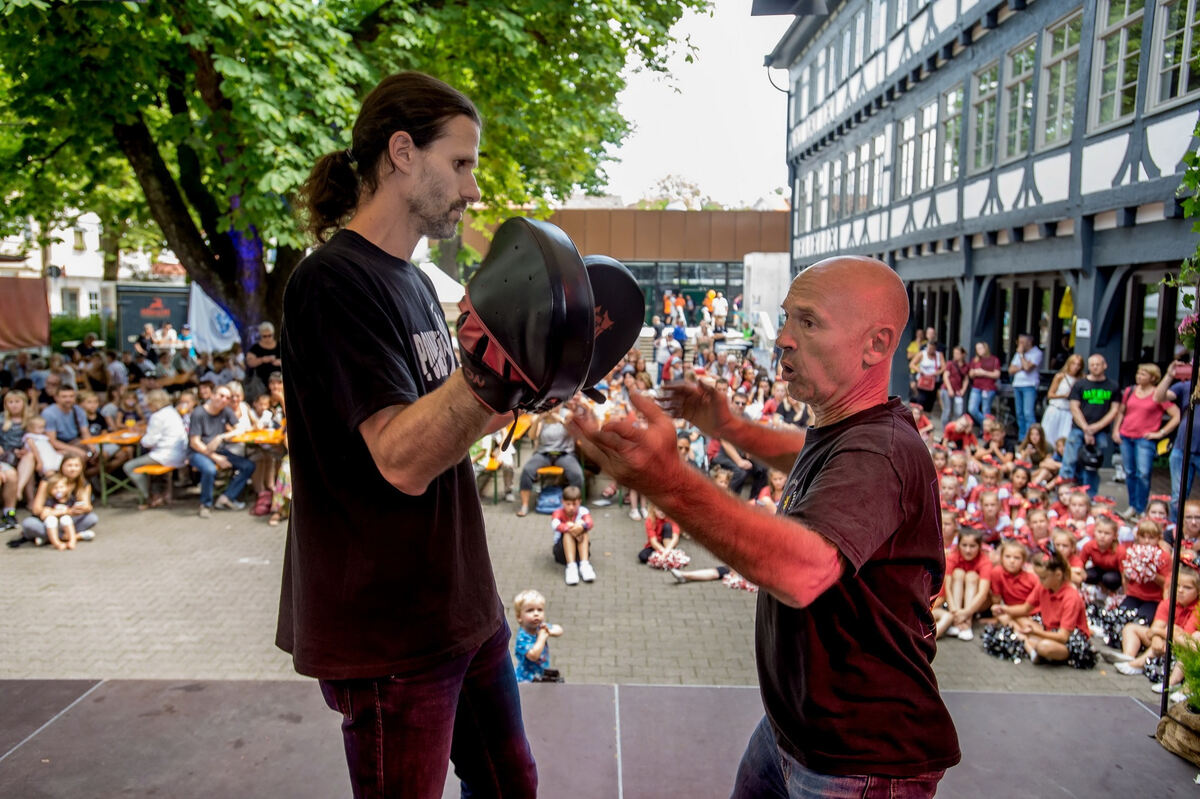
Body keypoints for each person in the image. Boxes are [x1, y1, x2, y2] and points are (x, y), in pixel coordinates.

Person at [568, 255, 959, 795]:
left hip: (859, 761)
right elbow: (805, 453)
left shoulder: (879, 452)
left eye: (808, 321)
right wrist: (730, 426)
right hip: (795, 731)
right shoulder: (850, 430)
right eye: (786, 318)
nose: (782, 338)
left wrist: (667, 482)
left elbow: (802, 571)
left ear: (875, 345)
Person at [277, 71, 537, 798]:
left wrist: (529, 385)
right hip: (388, 630)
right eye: (460, 163)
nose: (474, 188)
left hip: (460, 603)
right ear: (401, 153)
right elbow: (399, 456)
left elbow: (448, 424)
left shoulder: (417, 282)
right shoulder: (330, 283)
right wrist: (493, 369)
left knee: (510, 782)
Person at [1113, 363, 1179, 517]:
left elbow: (1176, 415)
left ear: (1153, 377)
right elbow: (1122, 412)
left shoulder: (1159, 394)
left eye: (1143, 374)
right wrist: (1116, 430)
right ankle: (1132, 506)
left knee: (1143, 473)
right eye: (1138, 373)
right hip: (1126, 435)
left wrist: (1160, 433)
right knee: (1129, 472)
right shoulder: (1130, 391)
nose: (1139, 376)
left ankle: (1141, 508)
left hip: (1144, 438)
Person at [188, 385, 256, 518]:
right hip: (198, 452)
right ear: (212, 395)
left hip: (220, 450)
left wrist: (221, 437)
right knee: (210, 470)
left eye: (227, 397)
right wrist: (216, 458)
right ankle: (205, 504)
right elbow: (194, 443)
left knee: (248, 466)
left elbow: (240, 428)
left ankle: (226, 498)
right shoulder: (199, 413)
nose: (224, 399)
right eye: (221, 395)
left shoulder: (225, 411)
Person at [1059, 353, 1119, 497]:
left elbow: (1114, 410)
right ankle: (1063, 495)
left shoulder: (1113, 386)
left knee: (1091, 466)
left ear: (1105, 365)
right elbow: (1074, 407)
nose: (1095, 367)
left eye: (1098, 364)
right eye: (1092, 364)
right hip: (1078, 429)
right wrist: (1086, 428)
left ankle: (1089, 497)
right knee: (1069, 462)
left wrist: (1095, 428)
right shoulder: (1080, 384)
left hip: (1101, 431)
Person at [123, 389, 189, 510]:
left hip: (165, 455)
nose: (147, 407)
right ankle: (159, 494)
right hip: (179, 453)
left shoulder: (157, 416)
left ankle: (148, 496)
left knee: (129, 466)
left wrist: (141, 438)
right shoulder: (172, 411)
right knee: (152, 467)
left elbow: (148, 442)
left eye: (149, 404)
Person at [14, 455, 97, 548]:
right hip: (47, 520)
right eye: (69, 466)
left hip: (68, 521)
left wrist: (84, 508)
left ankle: (50, 538)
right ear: (62, 467)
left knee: (91, 518)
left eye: (77, 466)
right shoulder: (48, 481)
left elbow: (87, 506)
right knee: (28, 524)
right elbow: (36, 509)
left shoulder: (83, 484)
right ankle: (73, 536)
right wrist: (61, 511)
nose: (73, 469)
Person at [516, 407, 584, 517]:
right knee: (527, 470)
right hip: (544, 453)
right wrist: (538, 420)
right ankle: (524, 505)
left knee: (576, 474)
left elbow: (575, 434)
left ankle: (574, 507)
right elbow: (532, 436)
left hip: (564, 453)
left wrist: (561, 420)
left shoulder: (567, 415)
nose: (553, 407)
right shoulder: (541, 417)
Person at [1154, 360, 1200, 519]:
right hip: (1182, 449)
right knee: (1178, 497)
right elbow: (1158, 397)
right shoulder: (1187, 386)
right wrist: (1169, 375)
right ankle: (1175, 529)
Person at [511, 589, 563, 683]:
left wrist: (549, 632)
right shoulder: (522, 638)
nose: (536, 614)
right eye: (530, 610)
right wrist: (542, 637)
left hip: (541, 674)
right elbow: (533, 655)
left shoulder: (541, 628)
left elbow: (559, 630)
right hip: (526, 679)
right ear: (519, 617)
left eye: (540, 610)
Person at [550, 485, 595, 585]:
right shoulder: (557, 512)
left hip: (579, 549)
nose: (571, 507)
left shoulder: (583, 511)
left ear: (580, 502)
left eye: (574, 504)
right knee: (568, 531)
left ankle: (584, 565)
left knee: (583, 528)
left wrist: (581, 527)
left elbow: (590, 523)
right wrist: (570, 527)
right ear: (563, 502)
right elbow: (555, 524)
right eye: (568, 504)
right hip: (562, 551)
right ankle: (571, 567)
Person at [1040, 354, 1083, 447]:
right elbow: (1050, 394)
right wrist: (1064, 395)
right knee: (1049, 436)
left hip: (1069, 412)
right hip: (1056, 408)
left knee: (1065, 437)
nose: (1075, 367)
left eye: (1078, 365)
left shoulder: (1081, 379)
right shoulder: (1060, 376)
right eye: (1073, 364)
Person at [966, 341, 1002, 428]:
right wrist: (974, 372)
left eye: (981, 348)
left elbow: (997, 374)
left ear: (986, 348)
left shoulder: (994, 359)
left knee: (986, 410)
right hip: (976, 387)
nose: (979, 350)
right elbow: (970, 374)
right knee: (972, 409)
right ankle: (988, 425)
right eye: (977, 349)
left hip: (988, 388)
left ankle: (986, 430)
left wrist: (984, 373)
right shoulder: (975, 360)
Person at [940, 345, 970, 428]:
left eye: (957, 353)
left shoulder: (966, 366)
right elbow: (945, 376)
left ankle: (954, 428)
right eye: (954, 353)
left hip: (958, 392)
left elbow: (966, 379)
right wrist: (949, 389)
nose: (955, 355)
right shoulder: (950, 363)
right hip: (947, 390)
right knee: (947, 410)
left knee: (958, 412)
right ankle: (945, 430)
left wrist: (963, 390)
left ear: (962, 355)